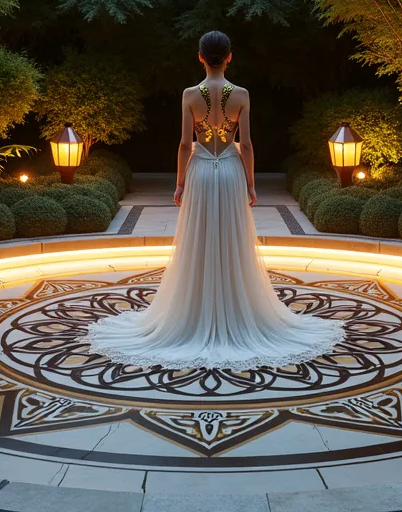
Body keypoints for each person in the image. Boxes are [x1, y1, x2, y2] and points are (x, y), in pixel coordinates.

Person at [82, 31, 345, 370]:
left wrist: (179, 184)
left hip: (202, 173)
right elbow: (246, 144)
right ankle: (236, 310)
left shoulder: (191, 94)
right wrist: (251, 184)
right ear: (230, 57)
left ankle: (195, 311)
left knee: (198, 241)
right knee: (232, 241)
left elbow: (183, 144)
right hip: (232, 172)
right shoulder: (242, 95)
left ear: (200, 57)